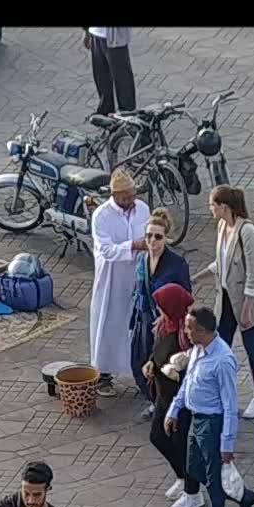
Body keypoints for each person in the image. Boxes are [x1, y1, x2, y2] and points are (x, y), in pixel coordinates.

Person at [166, 306, 254, 507]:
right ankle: (243, 495)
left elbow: (230, 406)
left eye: (189, 328)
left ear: (203, 331)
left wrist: (226, 444)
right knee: (193, 468)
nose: (185, 332)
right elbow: (188, 381)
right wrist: (174, 410)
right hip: (196, 419)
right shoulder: (199, 349)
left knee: (213, 480)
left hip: (212, 424)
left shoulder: (222, 360)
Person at [194, 186, 254, 419]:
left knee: (252, 347)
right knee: (221, 346)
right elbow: (221, 263)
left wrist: (248, 307)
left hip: (245, 301)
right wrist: (197, 278)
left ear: (224, 207)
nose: (210, 209)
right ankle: (221, 393)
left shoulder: (247, 232)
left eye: (212, 204)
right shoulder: (222, 227)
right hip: (227, 299)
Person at [142, 284, 204, 507]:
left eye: (162, 306)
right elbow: (157, 349)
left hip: (182, 402)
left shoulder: (186, 334)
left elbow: (196, 367)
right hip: (163, 396)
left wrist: (177, 371)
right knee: (158, 437)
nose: (159, 311)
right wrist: (151, 362)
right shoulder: (163, 326)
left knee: (184, 445)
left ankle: (193, 492)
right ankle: (181, 476)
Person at [89, 167, 150, 397]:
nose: (131, 200)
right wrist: (134, 245)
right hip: (112, 279)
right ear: (114, 196)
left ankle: (141, 371)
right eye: (125, 197)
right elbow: (106, 250)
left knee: (137, 325)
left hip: (138, 275)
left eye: (133, 195)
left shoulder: (142, 208)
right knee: (108, 323)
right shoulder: (102, 216)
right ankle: (103, 374)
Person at [130, 208, 191, 409]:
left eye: (158, 236)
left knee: (162, 364)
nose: (152, 241)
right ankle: (153, 400)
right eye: (148, 236)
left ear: (166, 238)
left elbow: (186, 296)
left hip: (168, 325)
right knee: (139, 361)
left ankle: (165, 404)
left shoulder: (177, 264)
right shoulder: (141, 260)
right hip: (144, 319)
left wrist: (172, 319)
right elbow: (137, 291)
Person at [81, 27, 136, 115]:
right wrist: (86, 31)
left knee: (122, 79)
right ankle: (105, 111)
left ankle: (128, 114)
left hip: (115, 38)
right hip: (95, 33)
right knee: (101, 78)